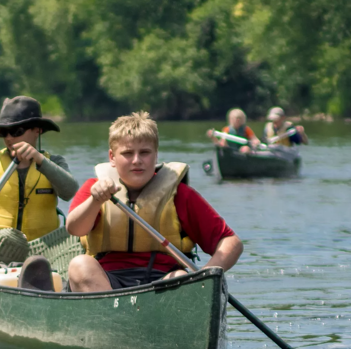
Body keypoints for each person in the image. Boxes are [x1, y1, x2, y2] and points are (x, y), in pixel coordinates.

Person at [66, 111, 243, 292]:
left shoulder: (180, 194)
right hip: (108, 282)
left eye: (144, 153)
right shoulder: (95, 188)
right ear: (112, 157)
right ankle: (113, 316)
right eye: (127, 153)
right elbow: (74, 228)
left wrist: (205, 275)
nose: (137, 160)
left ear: (156, 155)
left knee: (181, 277)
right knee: (79, 265)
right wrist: (95, 201)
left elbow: (231, 242)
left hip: (164, 280)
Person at [0, 96, 79, 281]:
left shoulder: (54, 163)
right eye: (5, 132)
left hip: (43, 253)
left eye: (16, 131)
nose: (9, 138)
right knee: (4, 240)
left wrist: (39, 160)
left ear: (37, 130)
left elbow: (69, 191)